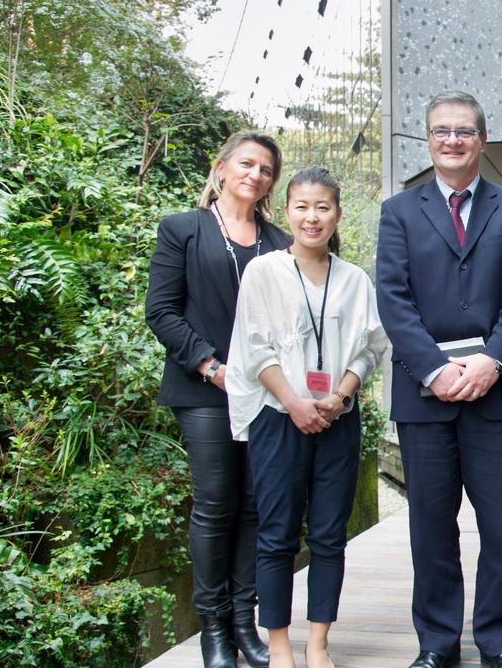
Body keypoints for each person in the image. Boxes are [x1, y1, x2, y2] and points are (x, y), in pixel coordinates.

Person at [377, 91, 502, 668]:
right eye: (442, 130)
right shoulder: (399, 211)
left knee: (501, 526)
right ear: (428, 139)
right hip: (425, 398)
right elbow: (393, 301)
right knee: (431, 529)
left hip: (498, 394)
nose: (453, 140)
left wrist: (492, 361)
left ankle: (499, 641)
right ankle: (438, 643)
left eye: (464, 131)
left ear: (482, 139)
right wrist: (436, 369)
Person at [226, 166, 387, 668]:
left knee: (328, 535)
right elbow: (255, 348)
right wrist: (295, 402)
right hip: (278, 418)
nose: (312, 217)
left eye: (323, 207)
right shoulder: (264, 271)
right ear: (286, 211)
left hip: (338, 418)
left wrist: (339, 396)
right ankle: (278, 645)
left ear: (336, 214)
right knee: (276, 534)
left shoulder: (355, 279)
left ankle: (318, 643)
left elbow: (371, 348)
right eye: (302, 206)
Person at [145, 130, 291, 668]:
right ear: (222, 167)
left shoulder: (279, 241)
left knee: (256, 505)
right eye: (246, 164)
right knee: (215, 502)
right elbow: (161, 311)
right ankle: (211, 629)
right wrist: (213, 367)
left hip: (267, 394)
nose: (255, 175)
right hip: (206, 389)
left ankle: (243, 623)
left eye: (266, 170)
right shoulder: (184, 229)